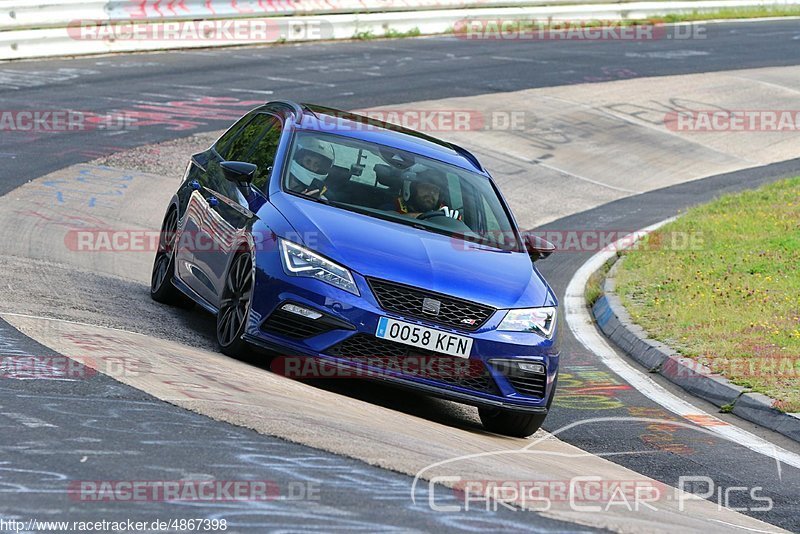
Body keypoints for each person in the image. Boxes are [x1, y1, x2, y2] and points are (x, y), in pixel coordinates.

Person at [389, 169, 461, 220]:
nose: (431, 193)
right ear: (413, 190)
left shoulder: (446, 213)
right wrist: (420, 217)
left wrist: (450, 219)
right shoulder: (393, 206)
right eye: (426, 187)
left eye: (435, 190)